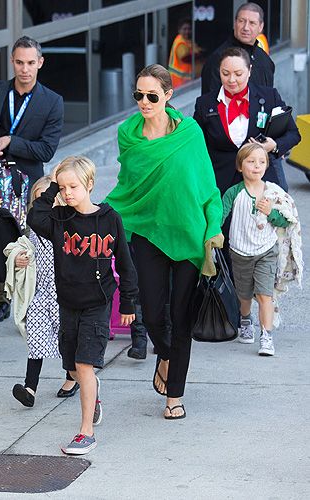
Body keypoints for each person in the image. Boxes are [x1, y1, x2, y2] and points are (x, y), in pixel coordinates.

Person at [104, 64, 223, 420]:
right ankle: (167, 356)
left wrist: (212, 227)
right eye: (138, 95)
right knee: (154, 314)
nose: (144, 102)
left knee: (180, 316)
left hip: (188, 235)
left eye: (152, 95)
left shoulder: (189, 132)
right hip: (147, 232)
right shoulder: (128, 134)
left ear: (169, 96)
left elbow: (206, 186)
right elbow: (128, 188)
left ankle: (175, 396)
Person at [27, 156, 138, 455]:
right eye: (63, 188)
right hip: (68, 304)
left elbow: (126, 265)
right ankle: (93, 390)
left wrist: (128, 303)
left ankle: (85, 432)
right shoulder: (60, 218)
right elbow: (34, 217)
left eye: (73, 186)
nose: (68, 193)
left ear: (90, 184)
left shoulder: (109, 218)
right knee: (72, 364)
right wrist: (52, 185)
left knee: (84, 365)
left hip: (97, 304)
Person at [0, 36, 64, 323]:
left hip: (26, 181)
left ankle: (23, 295)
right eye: (19, 62)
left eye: (30, 63)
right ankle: (0, 296)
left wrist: (11, 141)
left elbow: (47, 150)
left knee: (24, 241)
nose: (25, 69)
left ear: (40, 63)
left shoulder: (52, 101)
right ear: (12, 61)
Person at [9, 176, 78, 408]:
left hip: (64, 295)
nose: (42, 202)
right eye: (37, 198)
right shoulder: (34, 231)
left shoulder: (66, 225)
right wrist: (18, 258)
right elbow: (21, 247)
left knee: (66, 340)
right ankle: (30, 388)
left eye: (46, 197)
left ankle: (72, 377)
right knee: (35, 338)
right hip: (40, 294)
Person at [194, 46, 300, 196]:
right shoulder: (205, 103)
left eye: (238, 74)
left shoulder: (269, 97)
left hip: (261, 182)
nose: (231, 80)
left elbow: (293, 134)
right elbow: (196, 143)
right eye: (225, 73)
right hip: (219, 184)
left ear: (249, 71)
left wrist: (274, 146)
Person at [221, 144, 291, 356]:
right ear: (240, 166)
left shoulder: (272, 192)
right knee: (243, 295)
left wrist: (270, 212)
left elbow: (285, 221)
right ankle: (245, 320)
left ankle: (266, 336)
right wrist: (214, 233)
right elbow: (221, 215)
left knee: (264, 295)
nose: (256, 166)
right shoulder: (234, 192)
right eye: (251, 161)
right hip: (240, 250)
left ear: (267, 165)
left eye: (261, 161)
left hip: (266, 250)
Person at [200, 2, 274, 94]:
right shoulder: (218, 59)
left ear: (260, 27)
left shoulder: (265, 60)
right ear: (235, 23)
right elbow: (209, 104)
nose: (246, 27)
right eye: (241, 21)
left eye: (252, 23)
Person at [168, 18, 203, 88]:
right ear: (179, 30)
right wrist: (199, 55)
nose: (187, 31)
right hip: (180, 81)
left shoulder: (187, 40)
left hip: (186, 80)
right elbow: (185, 58)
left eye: (189, 29)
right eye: (184, 29)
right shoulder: (180, 43)